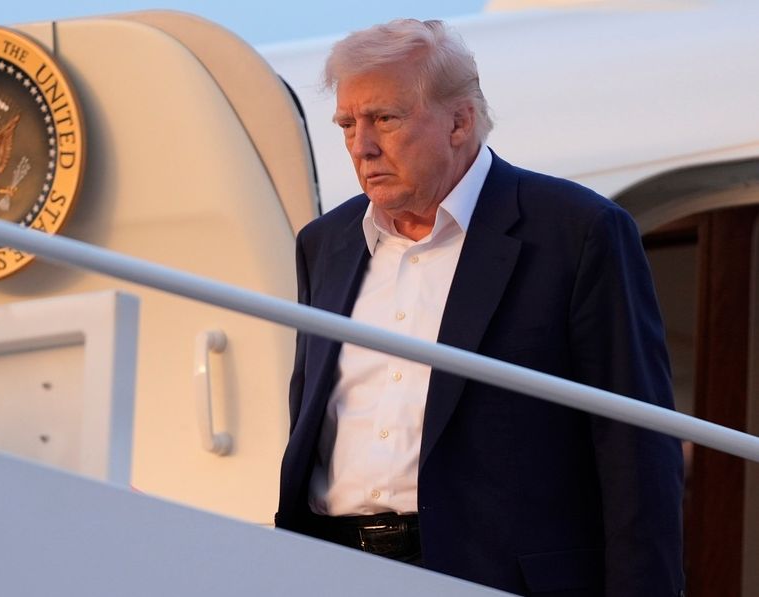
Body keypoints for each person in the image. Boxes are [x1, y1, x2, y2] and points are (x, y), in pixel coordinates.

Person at [274, 19, 685, 597]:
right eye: (347, 124)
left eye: (385, 119)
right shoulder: (324, 244)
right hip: (333, 569)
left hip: (496, 577)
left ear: (460, 122)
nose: (361, 146)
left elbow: (636, 447)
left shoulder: (577, 231)